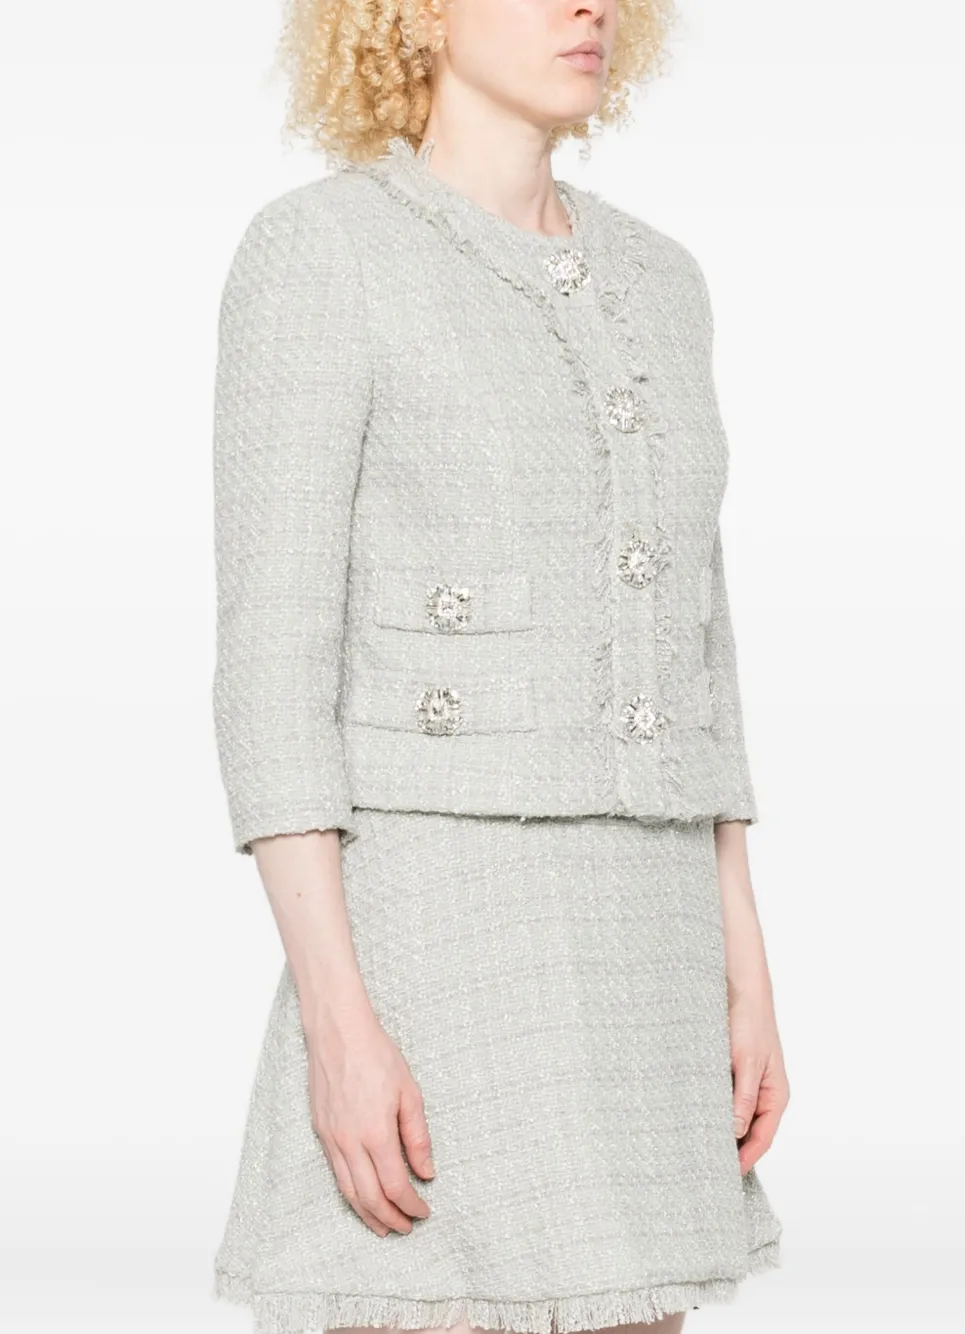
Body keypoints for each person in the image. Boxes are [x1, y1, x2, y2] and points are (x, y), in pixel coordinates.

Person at [209, 0, 790, 1331]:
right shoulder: (321, 255)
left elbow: (698, 641)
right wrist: (339, 1027)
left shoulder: (663, 282)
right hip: (440, 935)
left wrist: (744, 965)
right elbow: (270, 670)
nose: (588, 5)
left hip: (649, 936)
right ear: (413, 13)